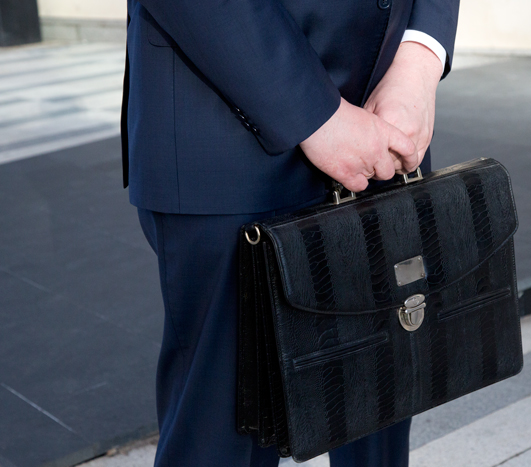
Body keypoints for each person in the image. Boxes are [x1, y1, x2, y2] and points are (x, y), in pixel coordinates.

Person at [121, 0, 459, 465]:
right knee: (225, 438)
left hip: (386, 116)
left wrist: (419, 58)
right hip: (227, 121)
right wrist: (315, 114)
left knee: (382, 410)